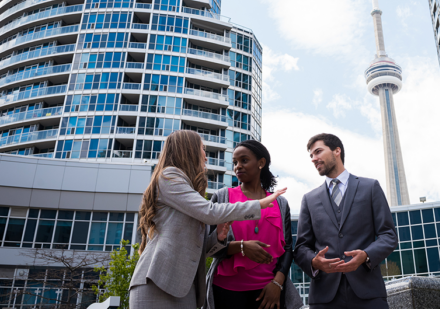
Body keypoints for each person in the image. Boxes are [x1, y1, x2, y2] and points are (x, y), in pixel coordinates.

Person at [129, 130, 286, 309]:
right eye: (202, 149)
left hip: (183, 286)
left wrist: (218, 237)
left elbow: (199, 248)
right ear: (189, 150)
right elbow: (209, 212)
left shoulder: (187, 189)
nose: (205, 156)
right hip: (157, 281)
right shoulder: (169, 177)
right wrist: (259, 204)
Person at [293, 133, 398, 309]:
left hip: (369, 294)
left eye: (318, 152)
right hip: (324, 297)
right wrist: (314, 261)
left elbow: (388, 235)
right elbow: (302, 247)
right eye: (311, 155)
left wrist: (366, 255)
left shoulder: (370, 187)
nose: (313, 159)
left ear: (337, 151)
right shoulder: (309, 199)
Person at [204, 140, 302, 309]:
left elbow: (287, 248)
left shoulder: (281, 203)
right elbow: (208, 247)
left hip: (268, 293)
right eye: (235, 162)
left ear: (261, 163)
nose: (238, 166)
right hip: (226, 291)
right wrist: (241, 247)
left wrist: (277, 283)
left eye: (244, 160)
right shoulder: (222, 197)